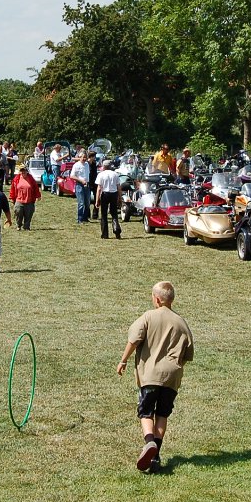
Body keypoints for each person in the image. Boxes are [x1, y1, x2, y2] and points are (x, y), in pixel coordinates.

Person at [116, 281, 194, 473]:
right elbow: (188, 354)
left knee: (145, 412)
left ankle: (149, 442)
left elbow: (134, 339)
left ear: (157, 299)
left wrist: (123, 360)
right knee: (162, 414)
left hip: (150, 375)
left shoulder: (148, 317)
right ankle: (156, 455)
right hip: (171, 378)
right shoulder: (181, 322)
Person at [9, 163, 41, 231]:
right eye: (21, 171)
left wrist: (38, 196)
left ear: (27, 171)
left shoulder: (31, 178)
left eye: (24, 170)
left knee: (28, 214)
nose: (23, 172)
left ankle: (26, 226)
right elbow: (12, 189)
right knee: (18, 212)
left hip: (29, 200)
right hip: (19, 199)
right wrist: (12, 197)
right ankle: (18, 225)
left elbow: (35, 187)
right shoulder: (16, 179)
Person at [96, 158, 122, 240]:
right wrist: (120, 197)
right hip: (114, 194)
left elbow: (99, 188)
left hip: (105, 194)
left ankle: (105, 234)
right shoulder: (115, 174)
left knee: (104, 214)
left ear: (103, 166)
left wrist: (97, 200)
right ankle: (116, 229)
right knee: (114, 213)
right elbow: (119, 187)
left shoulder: (101, 174)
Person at [71, 152, 92, 223]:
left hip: (87, 185)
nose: (84, 159)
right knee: (81, 203)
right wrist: (81, 180)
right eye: (83, 157)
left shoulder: (87, 165)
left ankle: (85, 218)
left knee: (87, 203)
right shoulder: (76, 165)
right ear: (79, 157)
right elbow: (72, 176)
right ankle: (79, 219)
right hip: (79, 185)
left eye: (85, 157)